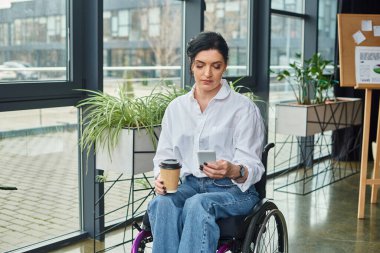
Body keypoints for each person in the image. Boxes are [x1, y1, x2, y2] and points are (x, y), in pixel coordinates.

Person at [147, 31, 265, 253]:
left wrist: (233, 169)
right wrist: (159, 178)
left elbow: (254, 166)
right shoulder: (177, 108)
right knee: (162, 203)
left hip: (234, 191)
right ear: (191, 65)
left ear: (225, 66)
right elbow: (164, 156)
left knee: (197, 205)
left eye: (216, 66)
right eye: (200, 65)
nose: (207, 73)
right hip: (190, 184)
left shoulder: (243, 109)